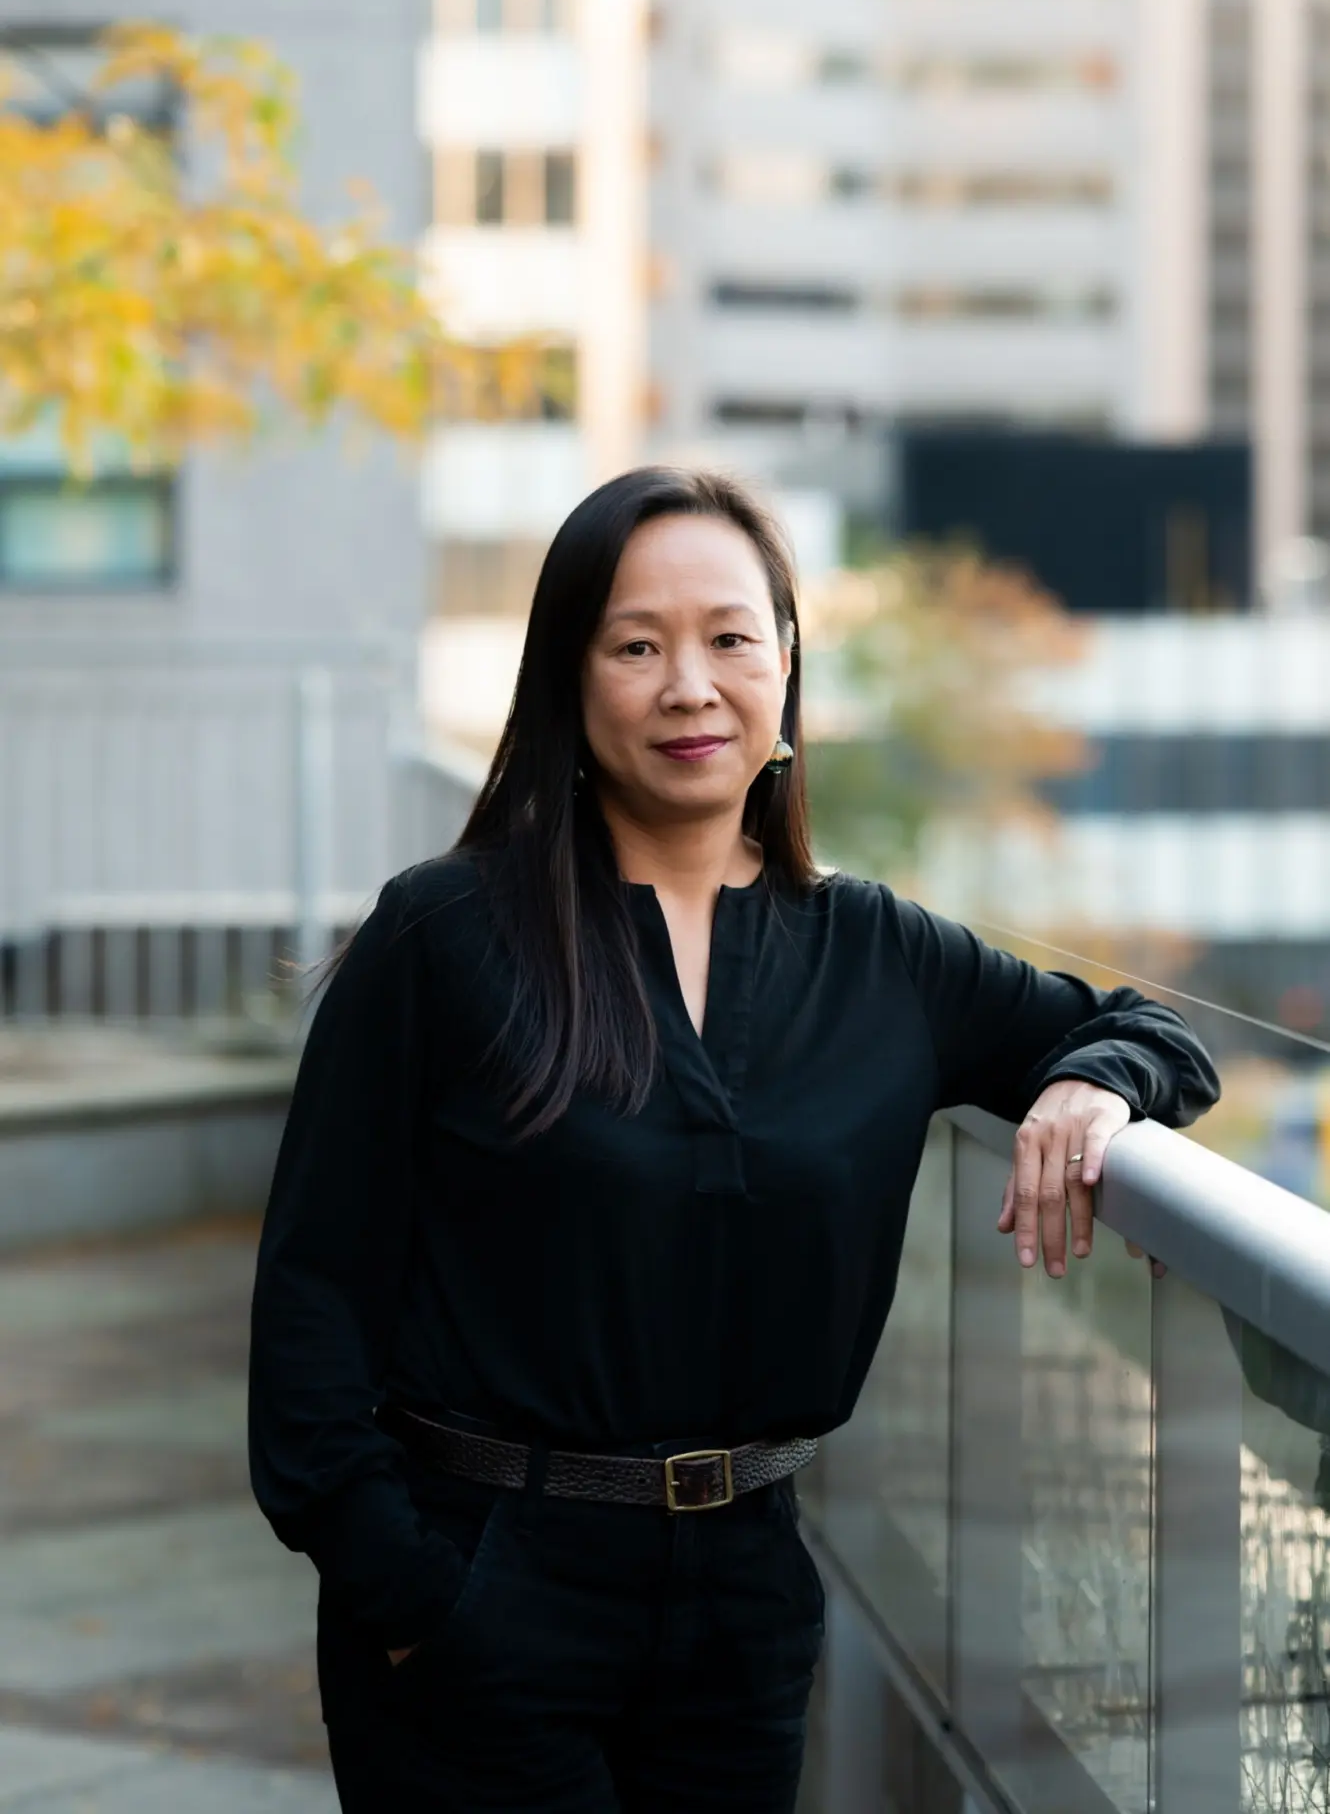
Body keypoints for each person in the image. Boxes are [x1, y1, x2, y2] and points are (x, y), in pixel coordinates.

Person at [248, 467, 1219, 1812]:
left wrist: (1085, 1087)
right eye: (635, 644)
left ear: (785, 669)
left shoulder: (879, 953)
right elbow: (310, 1297)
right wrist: (406, 1593)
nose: (687, 685)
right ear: (568, 683)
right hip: (478, 1577)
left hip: (747, 1601)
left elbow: (1153, 1035)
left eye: (727, 639)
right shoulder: (444, 939)